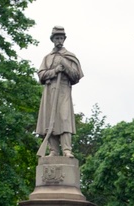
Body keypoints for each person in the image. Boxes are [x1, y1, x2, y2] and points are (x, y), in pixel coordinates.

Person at [35, 26, 83, 158]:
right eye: (57, 38)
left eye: (61, 38)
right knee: (49, 120)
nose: (59, 40)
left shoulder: (70, 56)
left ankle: (67, 149)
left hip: (63, 90)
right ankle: (53, 150)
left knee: (64, 118)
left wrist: (65, 66)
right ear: (52, 39)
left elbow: (76, 76)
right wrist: (55, 71)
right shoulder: (47, 58)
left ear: (64, 39)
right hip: (49, 91)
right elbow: (41, 75)